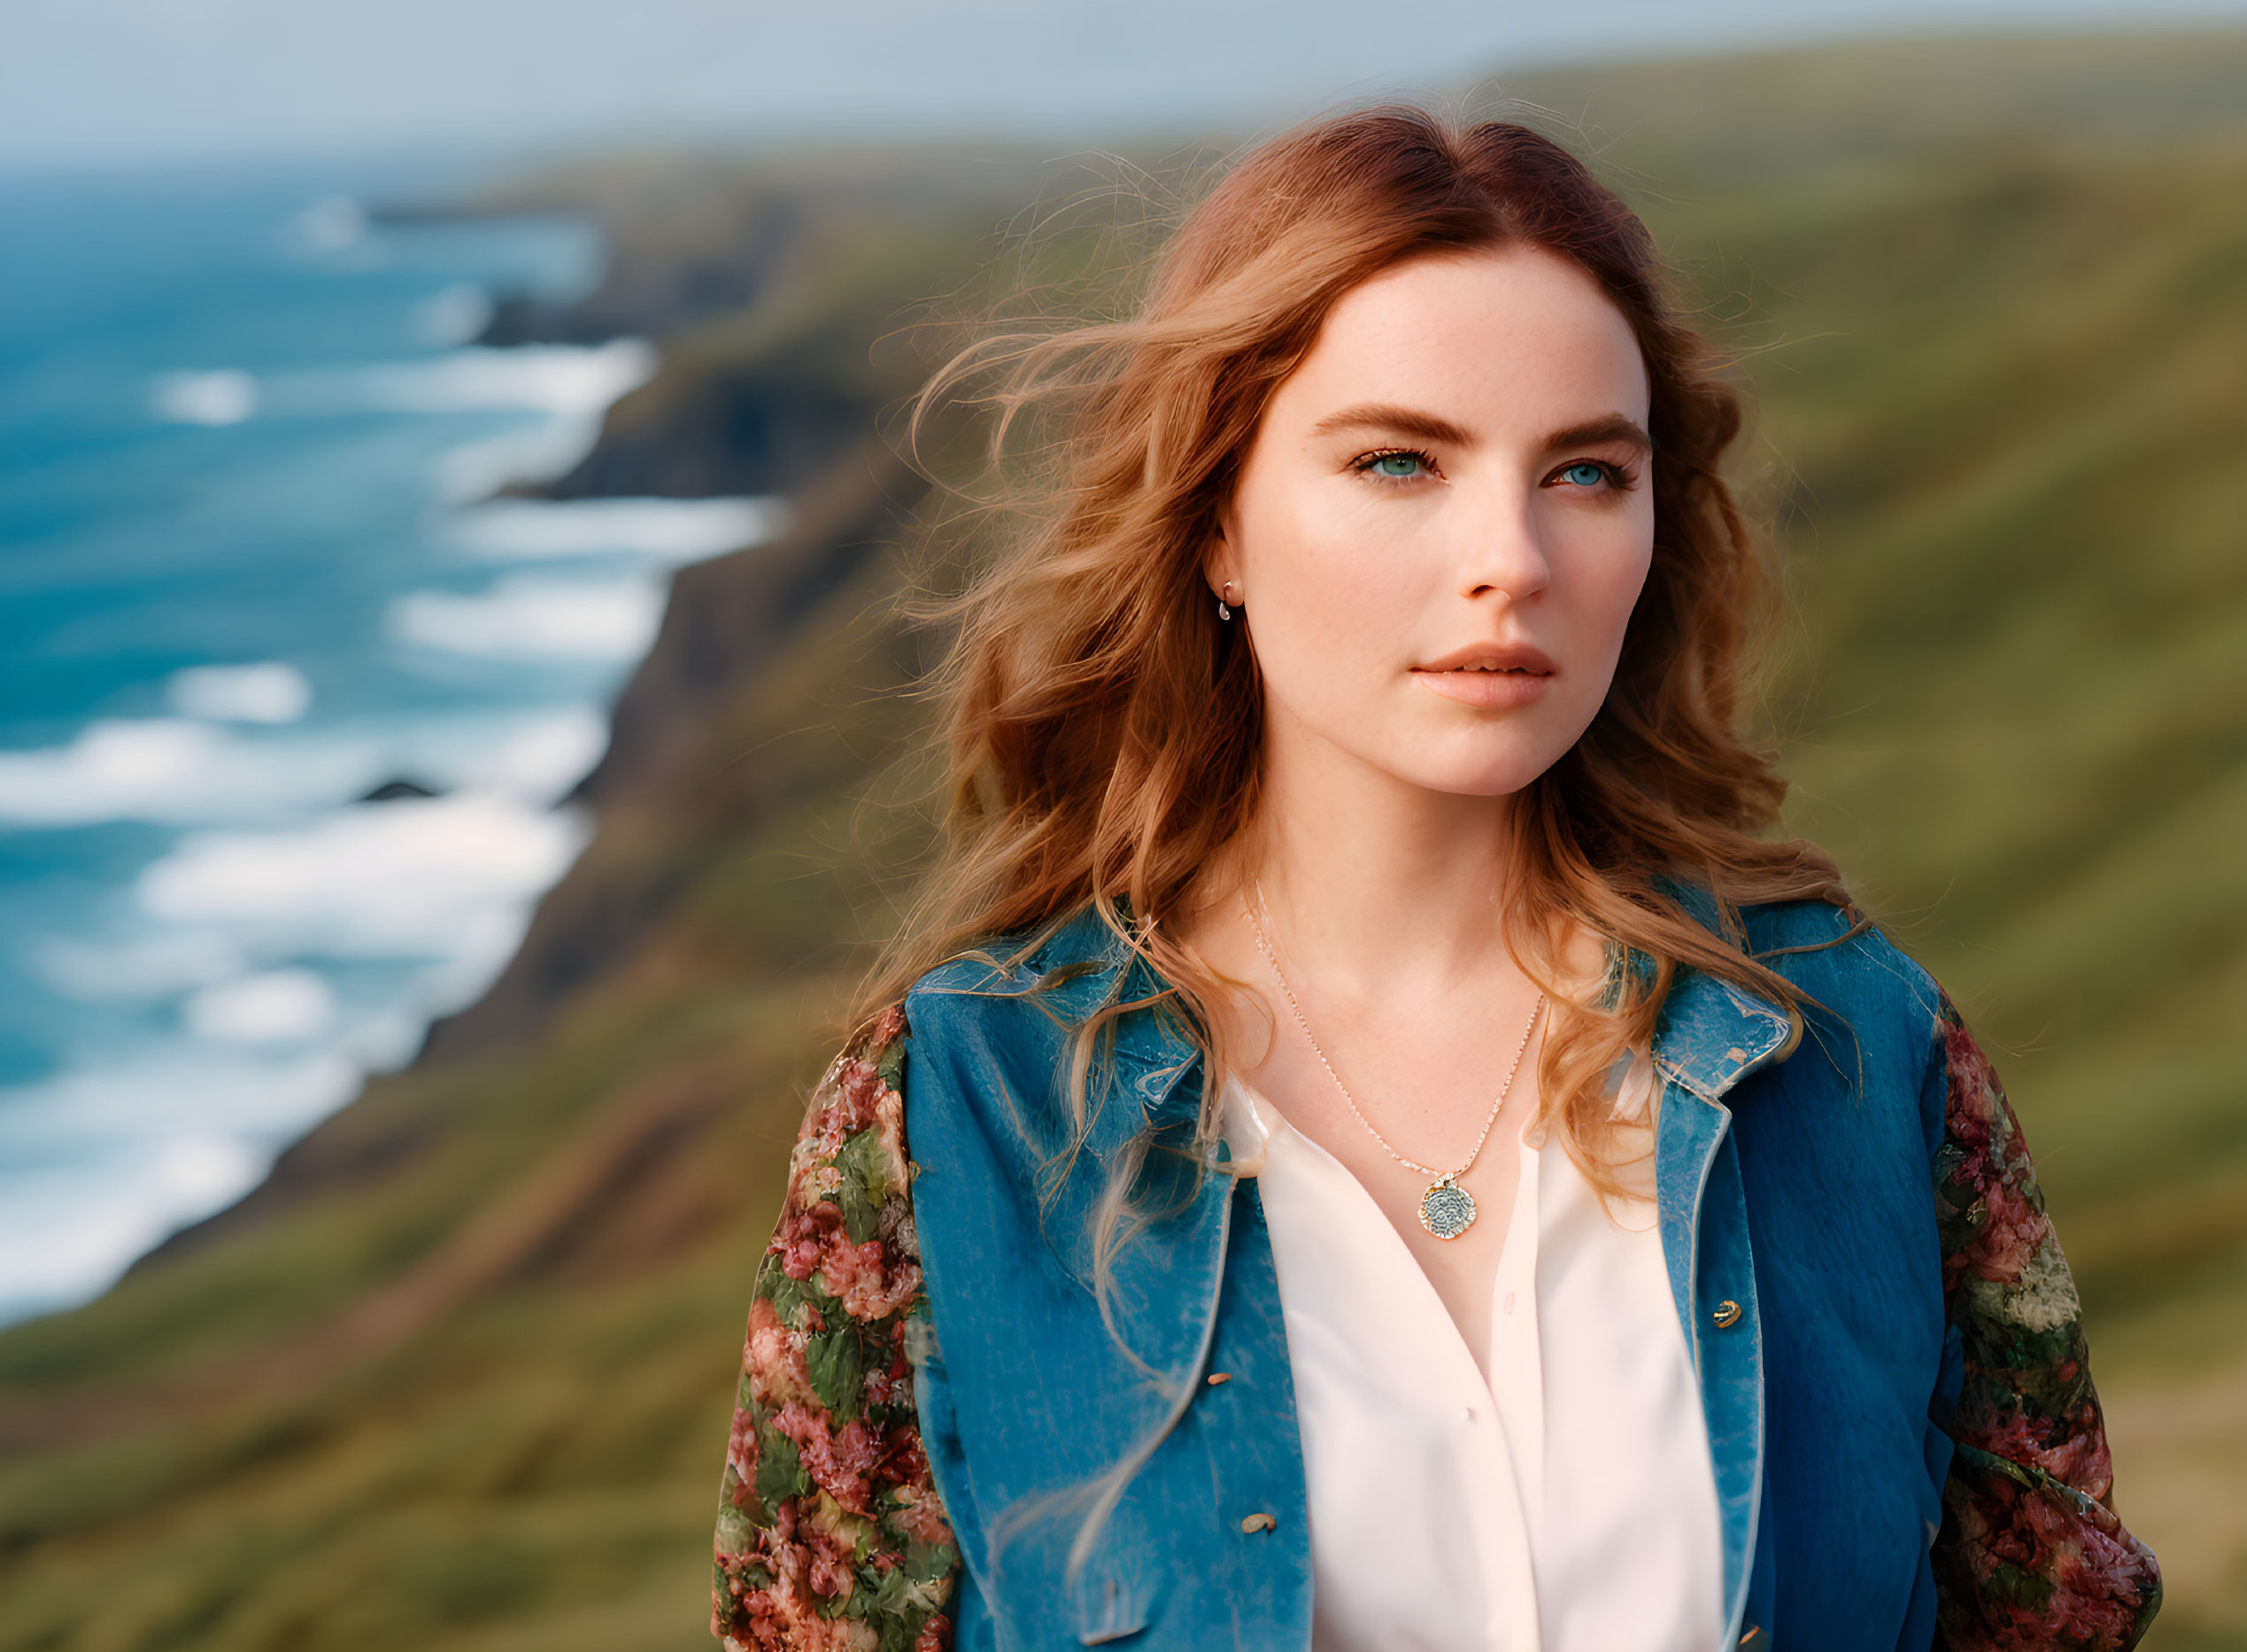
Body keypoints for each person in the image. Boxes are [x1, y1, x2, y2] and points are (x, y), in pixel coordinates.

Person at [707, 107, 2161, 1652]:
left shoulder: (1852, 1047)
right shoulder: (960, 1099)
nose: (1511, 557)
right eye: (1399, 459)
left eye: (1585, 472)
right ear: (1217, 525)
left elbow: (2046, 1613)